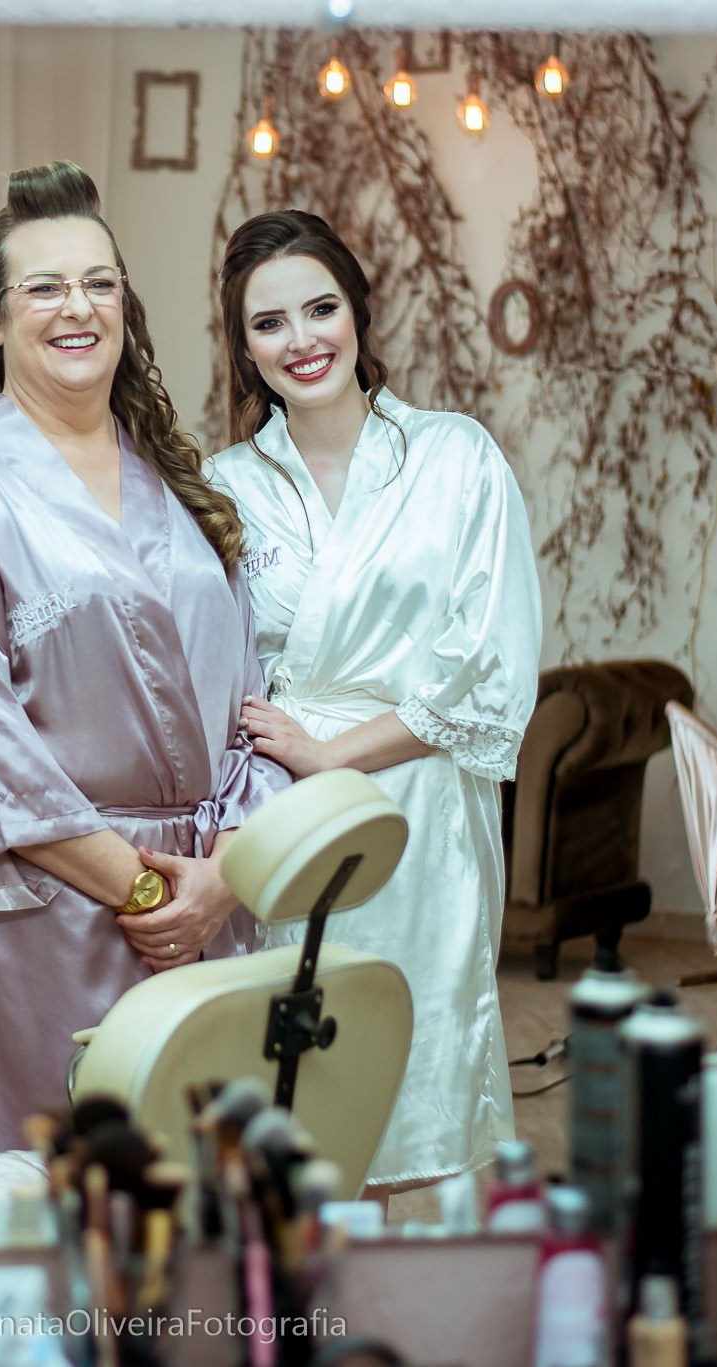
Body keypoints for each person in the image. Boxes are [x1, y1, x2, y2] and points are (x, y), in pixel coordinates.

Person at [0, 162, 286, 1171]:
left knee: (182, 1236)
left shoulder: (178, 496)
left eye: (99, 282)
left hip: (199, 908)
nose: (77, 307)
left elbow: (246, 710)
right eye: (45, 286)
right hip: (41, 917)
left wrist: (218, 879)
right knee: (21, 1225)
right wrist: (144, 897)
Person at [206, 211, 543, 1195]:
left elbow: (489, 662)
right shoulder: (222, 489)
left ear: (357, 312)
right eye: (269, 323)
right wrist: (291, 756)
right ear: (243, 347)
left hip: (419, 801)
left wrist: (335, 751)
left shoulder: (456, 458)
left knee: (419, 1054)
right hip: (280, 810)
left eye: (320, 308)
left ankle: (430, 1306)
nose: (301, 339)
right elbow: (205, 662)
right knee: (291, 1070)